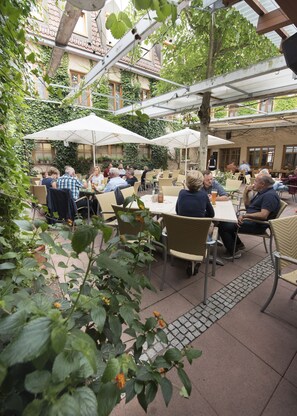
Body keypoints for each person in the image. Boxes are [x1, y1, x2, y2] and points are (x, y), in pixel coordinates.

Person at [218, 175, 280, 260]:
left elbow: (263, 215)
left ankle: (233, 252)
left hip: (257, 225)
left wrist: (245, 216)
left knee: (223, 226)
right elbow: (248, 206)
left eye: (255, 181)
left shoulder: (269, 196)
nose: (253, 183)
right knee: (226, 219)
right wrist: (246, 192)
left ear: (262, 184)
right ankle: (239, 244)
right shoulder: (262, 193)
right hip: (251, 220)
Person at [176, 170, 214, 276]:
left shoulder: (182, 193)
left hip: (183, 233)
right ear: (201, 183)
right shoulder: (203, 195)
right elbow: (211, 214)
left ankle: (189, 259)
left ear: (187, 182)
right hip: (199, 234)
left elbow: (178, 211)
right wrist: (201, 217)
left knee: (189, 229)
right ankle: (198, 259)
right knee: (211, 225)